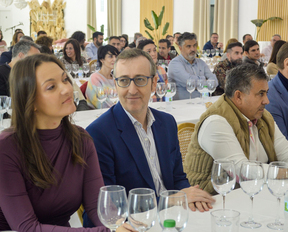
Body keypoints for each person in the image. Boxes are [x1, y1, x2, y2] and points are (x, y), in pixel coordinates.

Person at [83, 49, 215, 227]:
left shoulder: (166, 123)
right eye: (123, 81)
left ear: (154, 83)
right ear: (115, 84)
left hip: (170, 219)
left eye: (140, 79)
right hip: (133, 225)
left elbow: (178, 177)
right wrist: (171, 200)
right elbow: (108, 208)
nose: (131, 89)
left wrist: (188, 194)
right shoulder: (99, 134)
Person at [0, 53, 122, 232]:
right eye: (51, 87)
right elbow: (26, 227)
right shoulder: (7, 148)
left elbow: (97, 205)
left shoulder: (80, 139)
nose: (66, 89)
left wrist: (117, 227)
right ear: (30, 100)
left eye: (65, 80)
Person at [184, 63, 288, 195]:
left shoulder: (264, 116)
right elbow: (243, 171)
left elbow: (286, 152)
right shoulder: (216, 122)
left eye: (267, 93)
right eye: (261, 94)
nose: (267, 100)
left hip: (252, 193)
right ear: (238, 97)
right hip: (213, 201)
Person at [168, 32, 218, 100]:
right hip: (182, 106)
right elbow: (188, 82)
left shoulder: (201, 63)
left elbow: (215, 82)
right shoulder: (175, 64)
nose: (193, 49)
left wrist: (199, 82)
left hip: (202, 103)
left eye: (194, 45)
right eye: (188, 46)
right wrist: (205, 79)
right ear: (180, 48)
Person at [86, 45, 119, 109]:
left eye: (116, 56)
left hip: (115, 111)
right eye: (110, 56)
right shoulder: (95, 78)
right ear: (102, 59)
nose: (114, 59)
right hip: (97, 113)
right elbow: (101, 103)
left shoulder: (115, 78)